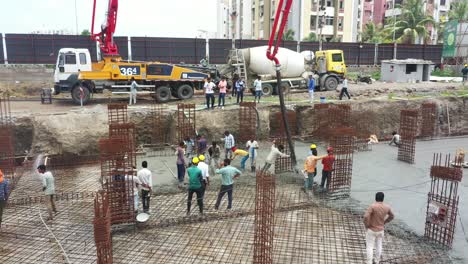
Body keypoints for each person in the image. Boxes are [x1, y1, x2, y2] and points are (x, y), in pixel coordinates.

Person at [364, 192, 395, 264]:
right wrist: (385, 222)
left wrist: (366, 224)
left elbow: (366, 216)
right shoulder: (387, 207)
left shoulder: (372, 206)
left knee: (369, 247)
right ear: (383, 199)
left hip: (371, 229)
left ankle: (369, 262)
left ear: (375, 198)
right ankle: (377, 261)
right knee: (379, 246)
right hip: (381, 230)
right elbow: (392, 216)